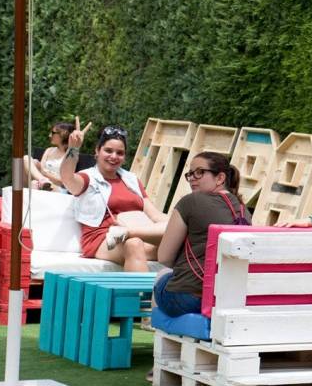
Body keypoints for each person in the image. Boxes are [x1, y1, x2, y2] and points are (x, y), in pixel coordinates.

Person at [60, 119, 168, 272]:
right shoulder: (88, 178)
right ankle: (140, 296)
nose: (114, 156)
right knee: (134, 244)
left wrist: (181, 223)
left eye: (120, 153)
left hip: (135, 231)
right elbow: (67, 178)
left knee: (176, 240)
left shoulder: (131, 180)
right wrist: (73, 149)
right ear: (97, 151)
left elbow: (155, 215)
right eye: (108, 150)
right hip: (103, 238)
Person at [154, 152, 251, 316]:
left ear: (220, 178)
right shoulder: (243, 210)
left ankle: (155, 328)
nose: (192, 178)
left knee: (162, 276)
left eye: (199, 172)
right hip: (226, 300)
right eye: (190, 173)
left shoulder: (191, 201)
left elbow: (164, 257)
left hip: (188, 298)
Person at [23, 122, 74, 191]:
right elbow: (41, 170)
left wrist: (46, 174)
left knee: (34, 183)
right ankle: (43, 181)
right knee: (26, 158)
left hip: (57, 187)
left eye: (53, 133)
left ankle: (43, 182)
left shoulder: (71, 155)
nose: (50, 135)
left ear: (63, 134)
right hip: (42, 182)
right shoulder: (49, 150)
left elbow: (64, 182)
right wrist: (44, 177)